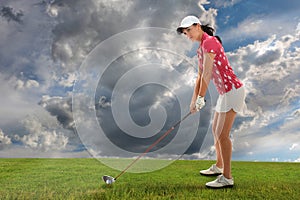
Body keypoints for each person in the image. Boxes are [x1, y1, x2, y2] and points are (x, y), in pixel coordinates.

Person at [177, 15, 246, 188]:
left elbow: (208, 74)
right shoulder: (200, 49)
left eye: (189, 30)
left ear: (198, 26)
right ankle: (219, 166)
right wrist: (194, 100)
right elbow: (200, 76)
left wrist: (201, 98)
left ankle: (227, 177)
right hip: (225, 93)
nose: (188, 35)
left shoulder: (210, 42)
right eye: (185, 33)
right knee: (216, 131)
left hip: (233, 90)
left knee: (223, 135)